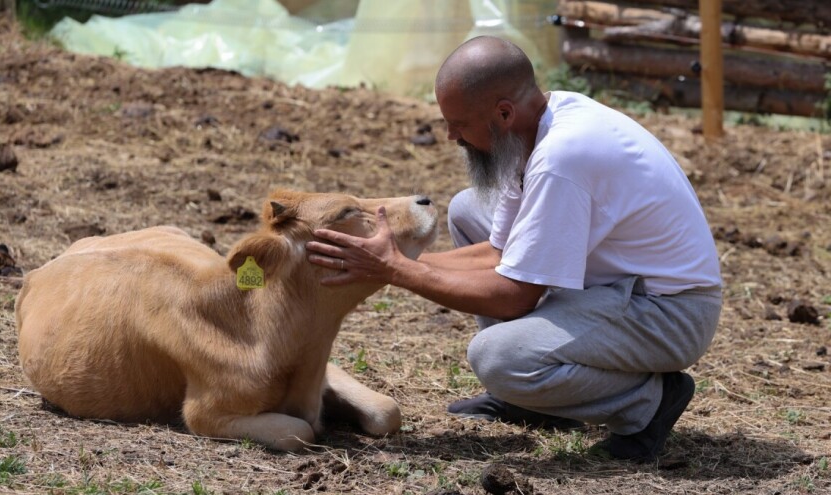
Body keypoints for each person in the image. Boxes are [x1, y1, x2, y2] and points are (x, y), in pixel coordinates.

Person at [306, 35, 722, 462]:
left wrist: (395, 270)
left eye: (460, 123)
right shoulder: (535, 124)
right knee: (469, 210)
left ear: (503, 113)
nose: (450, 135)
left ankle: (646, 402)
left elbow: (513, 296)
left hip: (668, 313)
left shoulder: (562, 159)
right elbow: (498, 253)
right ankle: (536, 400)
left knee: (499, 359)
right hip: (614, 287)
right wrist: (395, 259)